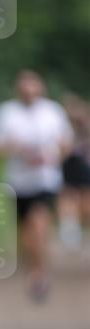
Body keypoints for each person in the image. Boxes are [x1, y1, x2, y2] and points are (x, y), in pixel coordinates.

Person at [0, 69, 73, 301]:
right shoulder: (5, 113)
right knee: (25, 229)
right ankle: (34, 268)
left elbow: (66, 144)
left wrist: (51, 156)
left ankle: (39, 272)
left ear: (40, 88)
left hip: (46, 179)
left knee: (39, 220)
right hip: (17, 182)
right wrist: (12, 149)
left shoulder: (53, 111)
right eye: (24, 90)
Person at [58, 93, 90, 248]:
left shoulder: (84, 125)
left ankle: (80, 228)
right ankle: (71, 228)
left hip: (83, 164)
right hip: (69, 164)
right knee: (68, 196)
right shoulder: (63, 124)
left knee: (84, 199)